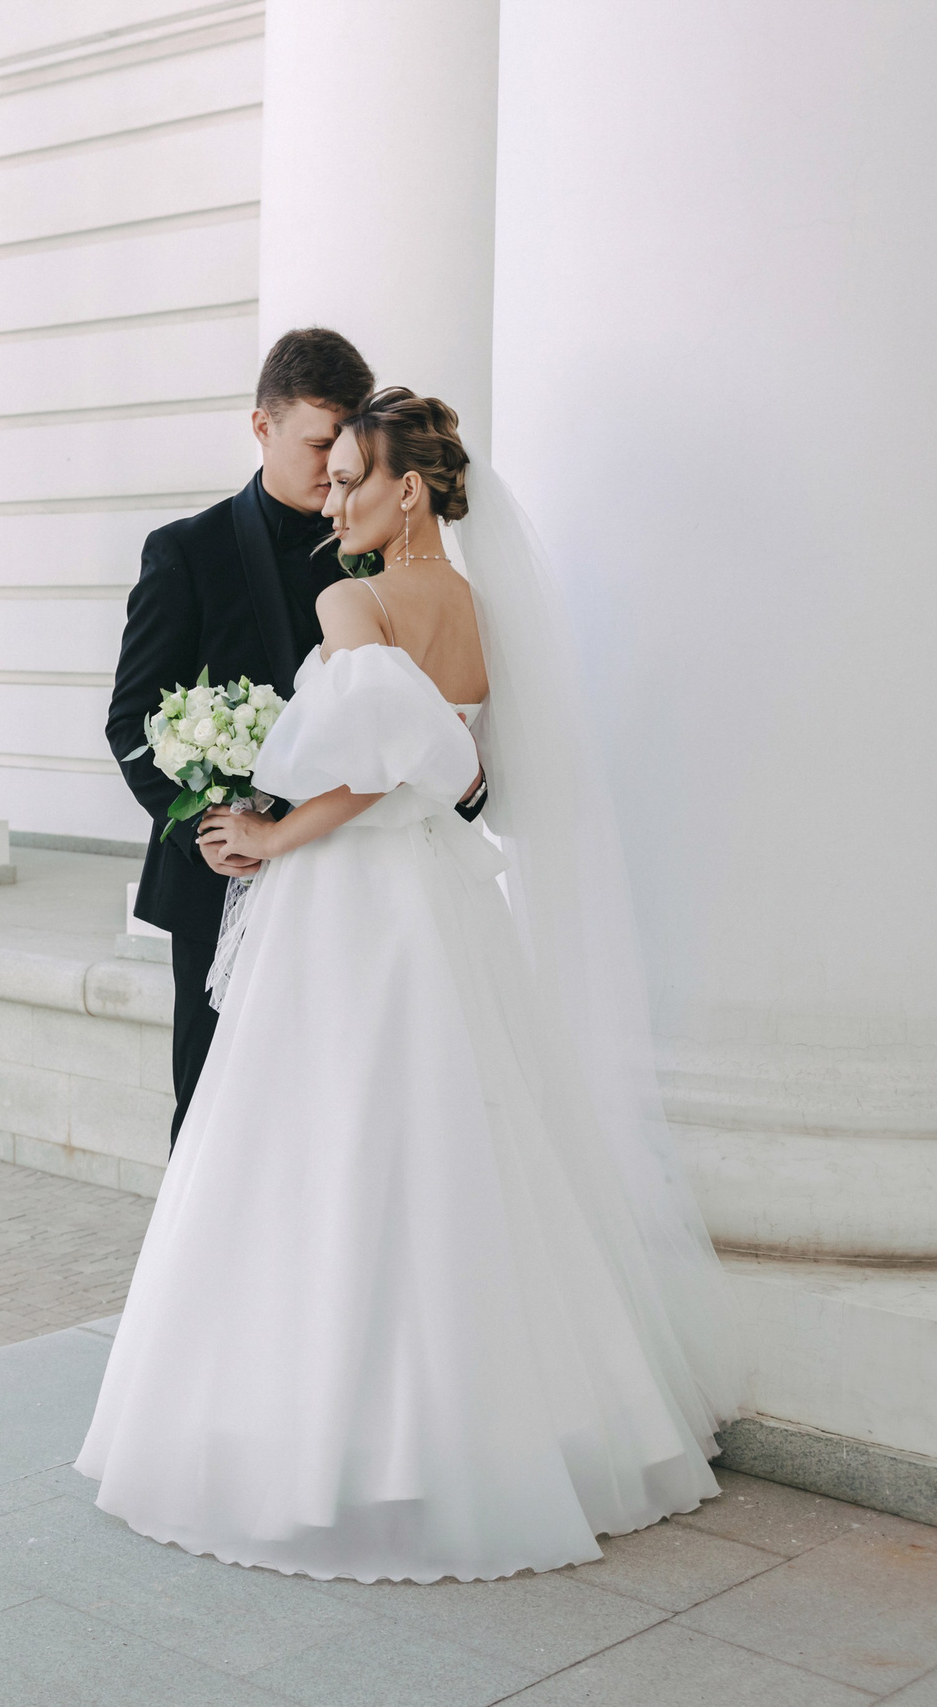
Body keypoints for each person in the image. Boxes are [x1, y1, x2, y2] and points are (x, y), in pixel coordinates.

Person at [77, 389, 742, 1583]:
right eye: (326, 476)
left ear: (409, 491)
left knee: (324, 1143)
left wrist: (270, 836)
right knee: (459, 1142)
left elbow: (381, 763)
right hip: (438, 897)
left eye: (350, 480)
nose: (331, 498)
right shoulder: (480, 611)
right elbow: (464, 763)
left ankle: (325, 1432)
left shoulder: (352, 595)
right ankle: (492, 1423)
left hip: (349, 900)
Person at [107, 329, 484, 1149]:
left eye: (346, 451)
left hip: (354, 884)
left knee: (345, 1116)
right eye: (319, 445)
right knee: (216, 1117)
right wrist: (207, 827)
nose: (333, 472)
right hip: (223, 882)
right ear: (261, 427)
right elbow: (130, 720)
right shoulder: (185, 552)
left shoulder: (373, 559)